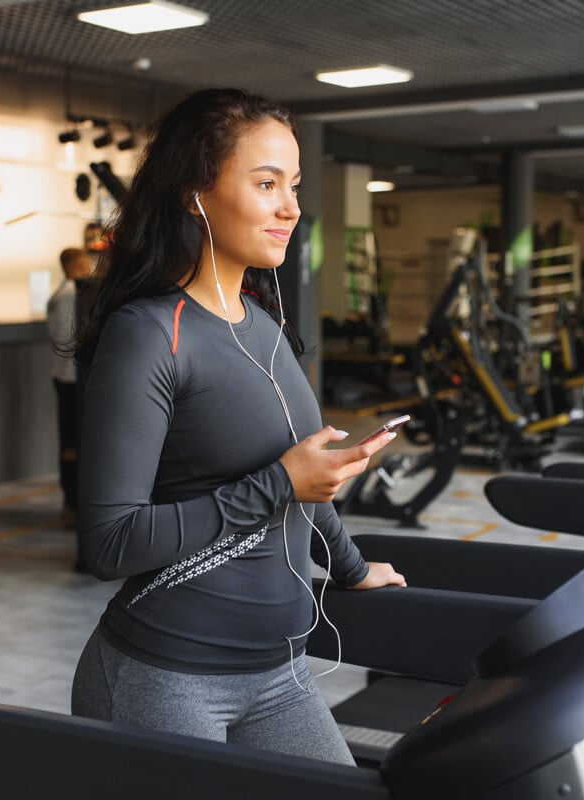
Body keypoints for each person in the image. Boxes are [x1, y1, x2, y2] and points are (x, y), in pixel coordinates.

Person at [68, 88, 406, 766]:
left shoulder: (263, 321)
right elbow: (108, 544)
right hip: (165, 677)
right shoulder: (150, 335)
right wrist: (280, 482)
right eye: (266, 183)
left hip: (279, 675)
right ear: (196, 192)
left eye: (294, 185)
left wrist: (351, 566)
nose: (291, 207)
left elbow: (301, 481)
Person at [46, 246, 91, 511]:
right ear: (78, 265)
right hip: (74, 379)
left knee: (68, 439)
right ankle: (74, 496)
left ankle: (71, 493)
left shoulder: (55, 296)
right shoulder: (71, 297)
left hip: (62, 375)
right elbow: (70, 340)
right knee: (74, 440)